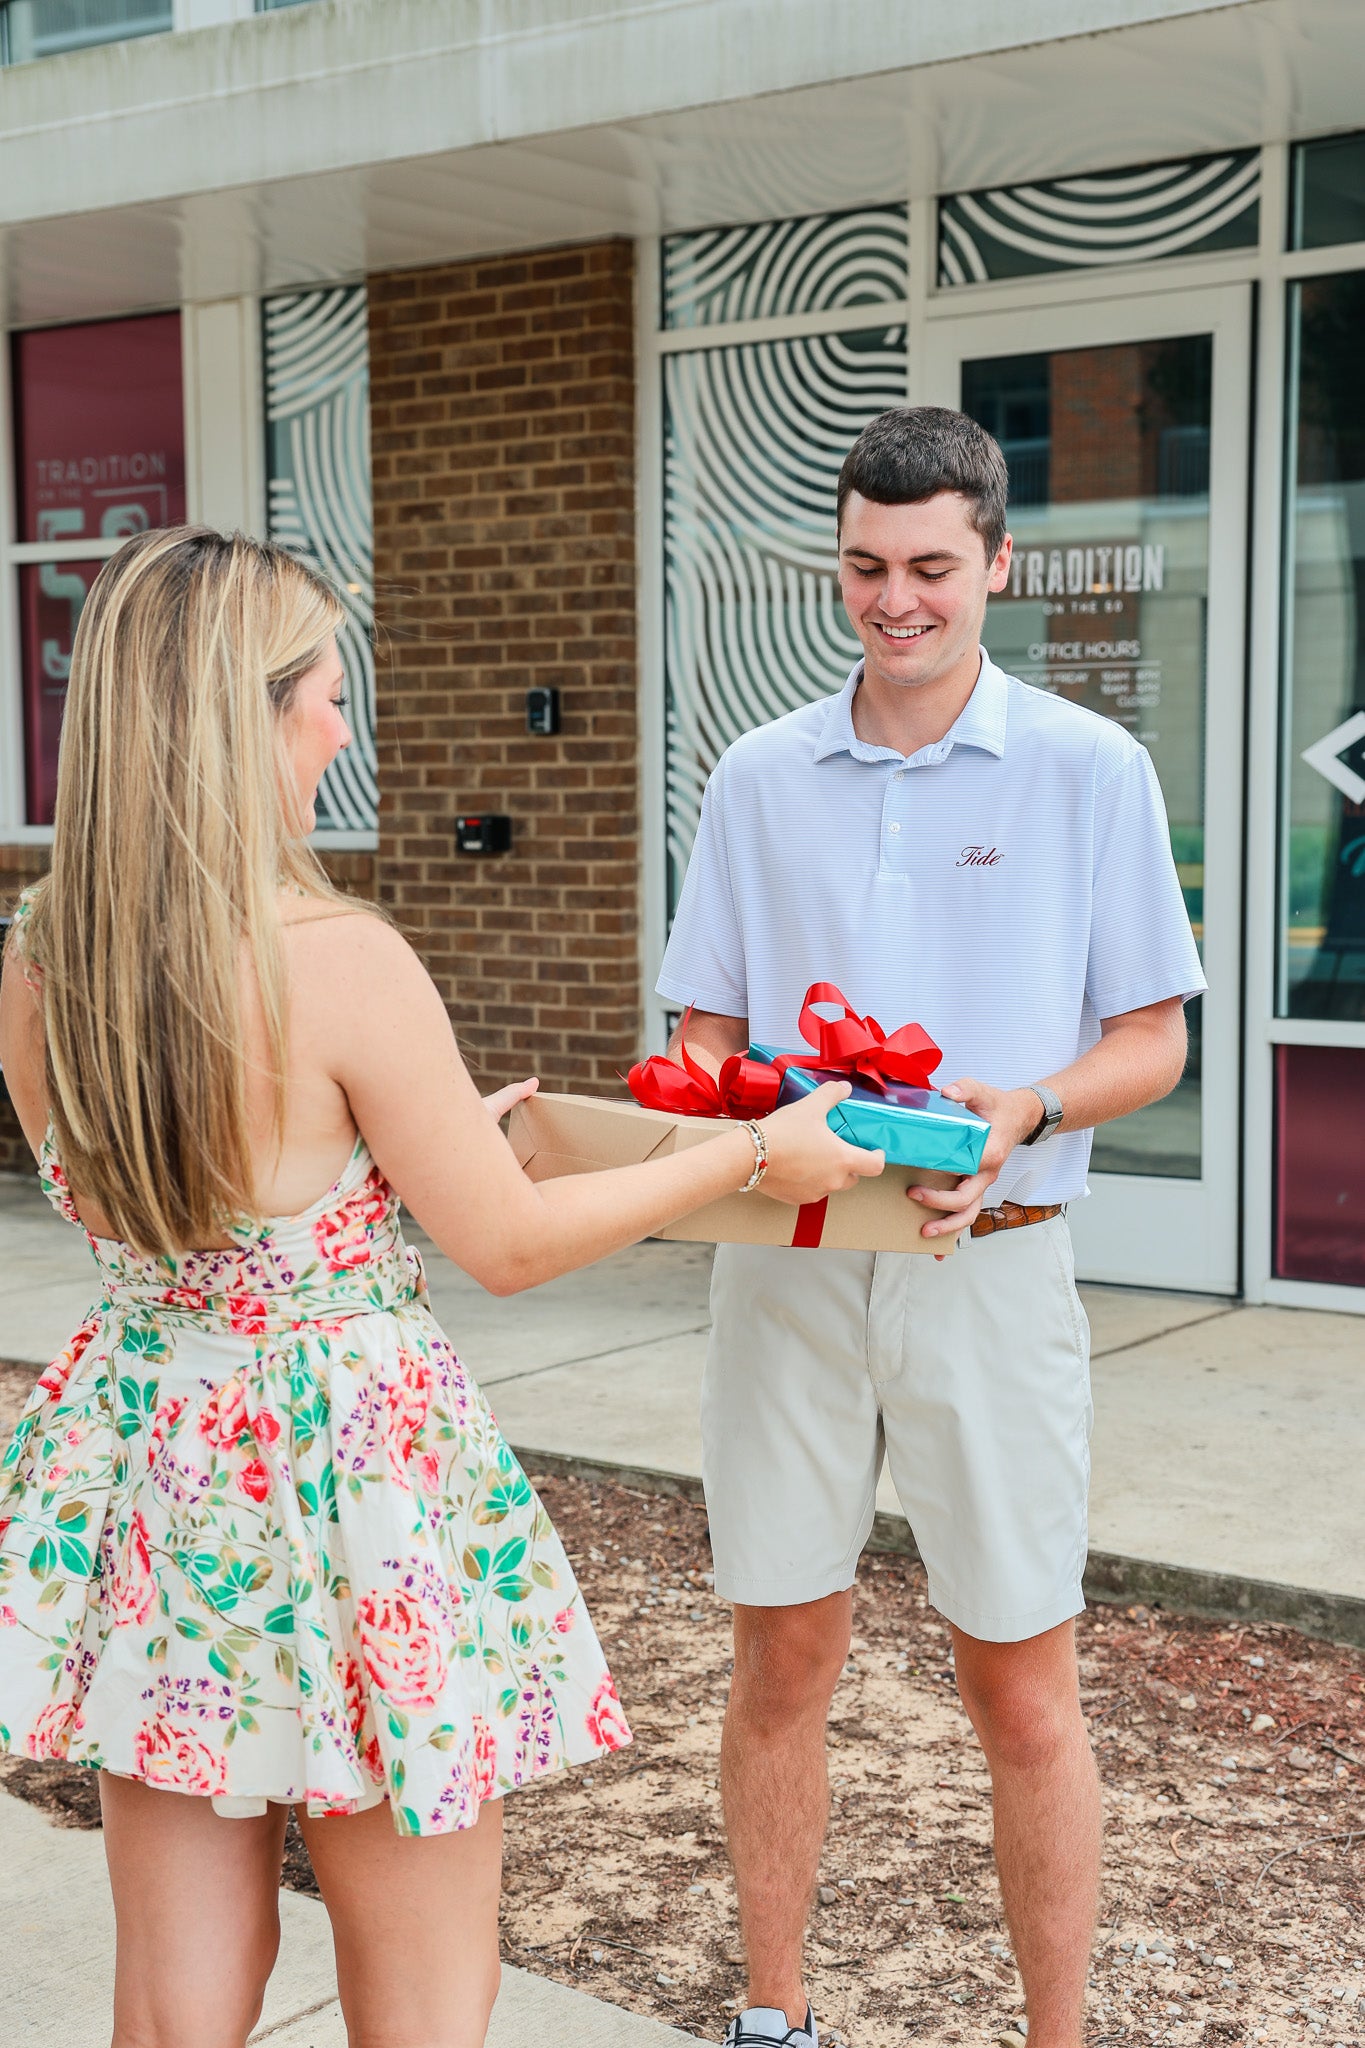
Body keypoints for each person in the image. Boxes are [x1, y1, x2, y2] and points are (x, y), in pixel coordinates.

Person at [0, 526, 878, 2048]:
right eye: (327, 695)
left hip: (156, 1473)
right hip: (347, 1495)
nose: (345, 729)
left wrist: (383, 1159)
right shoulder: (336, 955)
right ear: (245, 713)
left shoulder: (41, 952)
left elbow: (191, 1208)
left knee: (170, 2003)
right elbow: (512, 1246)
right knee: (423, 2000)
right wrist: (750, 1157)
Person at [655, 408, 1205, 2048]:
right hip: (791, 1267)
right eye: (864, 568)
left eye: (930, 570)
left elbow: (1154, 1038)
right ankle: (773, 2015)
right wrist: (733, 1113)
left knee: (1019, 1687)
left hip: (994, 1264)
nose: (895, 601)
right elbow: (697, 1030)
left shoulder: (1088, 767)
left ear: (996, 566)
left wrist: (1017, 1112)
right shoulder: (758, 775)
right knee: (779, 1661)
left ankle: (1054, 2039)